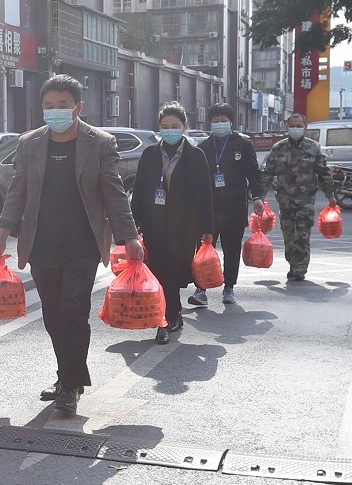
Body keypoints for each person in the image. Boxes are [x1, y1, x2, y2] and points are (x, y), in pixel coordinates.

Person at [0, 76, 146, 416]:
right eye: (49, 106)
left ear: (78, 107)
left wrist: (129, 236)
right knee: (52, 313)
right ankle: (64, 376)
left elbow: (113, 192)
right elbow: (18, 191)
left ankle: (72, 385)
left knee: (73, 308)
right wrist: (2, 232)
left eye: (62, 105)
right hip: (42, 241)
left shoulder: (99, 142)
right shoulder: (29, 143)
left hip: (83, 242)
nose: (55, 111)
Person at [130, 103, 212, 343]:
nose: (170, 131)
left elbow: (204, 194)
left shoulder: (195, 156)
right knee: (159, 271)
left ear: (185, 127)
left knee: (174, 271)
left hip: (184, 225)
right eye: (165, 127)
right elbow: (139, 190)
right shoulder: (150, 154)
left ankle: (168, 317)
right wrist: (133, 224)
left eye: (175, 127)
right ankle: (167, 316)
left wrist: (207, 229)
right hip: (154, 224)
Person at [189, 103, 261, 309]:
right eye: (215, 121)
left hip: (234, 205)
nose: (219, 124)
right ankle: (200, 289)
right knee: (203, 248)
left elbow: (253, 173)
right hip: (208, 208)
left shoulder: (242, 145)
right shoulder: (202, 148)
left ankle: (229, 287)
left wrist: (257, 196)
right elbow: (195, 180)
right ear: (209, 123)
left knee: (231, 249)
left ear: (230, 122)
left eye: (223, 121)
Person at [260, 112, 339, 283]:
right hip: (285, 199)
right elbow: (267, 173)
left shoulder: (313, 147)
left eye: (299, 126)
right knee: (288, 234)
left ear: (305, 127)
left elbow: (323, 172)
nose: (295, 128)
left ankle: (300, 267)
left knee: (302, 233)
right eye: (292, 125)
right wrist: (259, 195)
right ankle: (292, 263)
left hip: (305, 199)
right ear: (287, 126)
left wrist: (330, 195)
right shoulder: (278, 148)